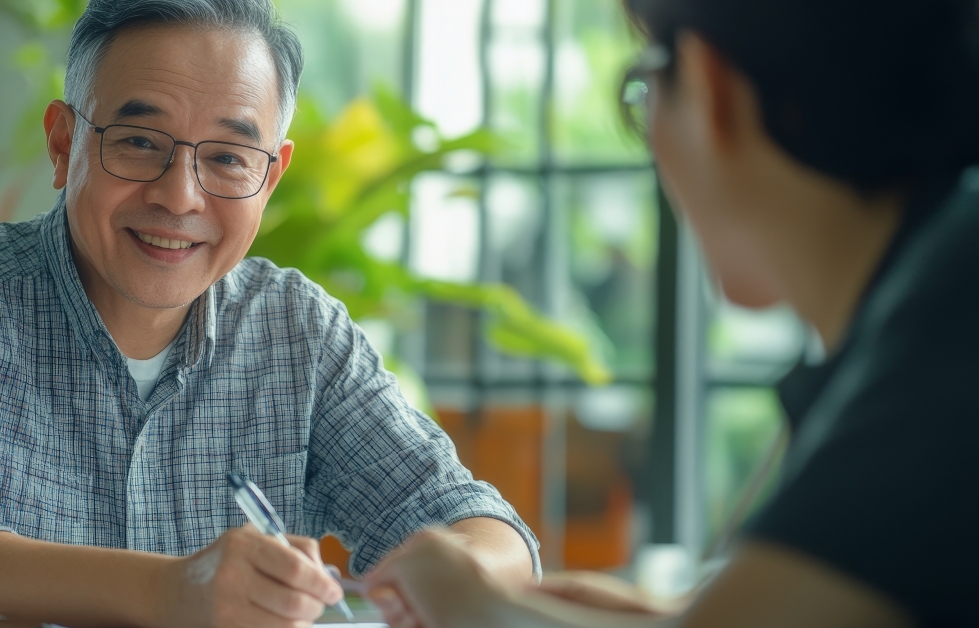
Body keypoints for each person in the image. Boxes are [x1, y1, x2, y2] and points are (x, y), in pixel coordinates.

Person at [0, 1, 539, 626]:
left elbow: (495, 536)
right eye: (139, 142)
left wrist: (456, 568)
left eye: (228, 157)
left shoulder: (299, 334)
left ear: (272, 175)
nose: (180, 197)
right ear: (64, 142)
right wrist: (171, 590)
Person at [364, 1, 979, 627]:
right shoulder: (933, 287)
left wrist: (472, 608)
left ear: (710, 85)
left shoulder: (952, 317)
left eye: (642, 89)